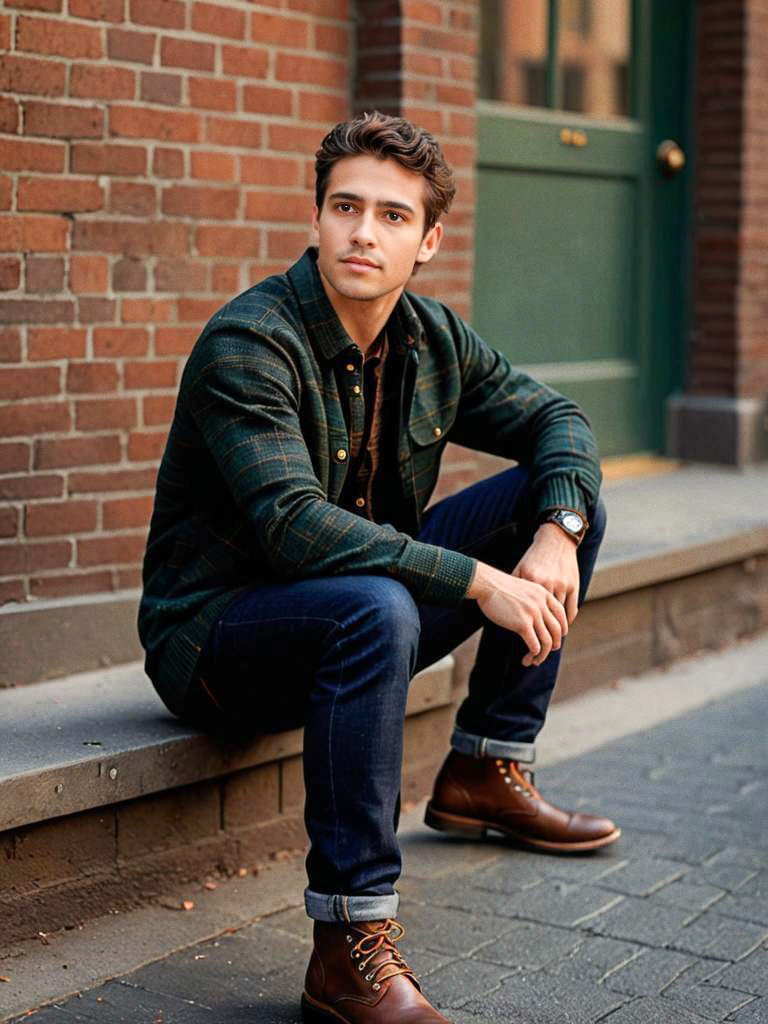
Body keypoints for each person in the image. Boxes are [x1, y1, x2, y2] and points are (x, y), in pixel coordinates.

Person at [138, 111, 619, 1024]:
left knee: (561, 494)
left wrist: (556, 528)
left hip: (359, 611)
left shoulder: (433, 339)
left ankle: (484, 770)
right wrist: (481, 581)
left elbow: (559, 420)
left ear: (428, 239)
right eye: (346, 208)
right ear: (315, 217)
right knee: (378, 607)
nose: (365, 233)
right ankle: (347, 946)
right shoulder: (251, 342)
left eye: (393, 217)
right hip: (217, 639)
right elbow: (293, 528)